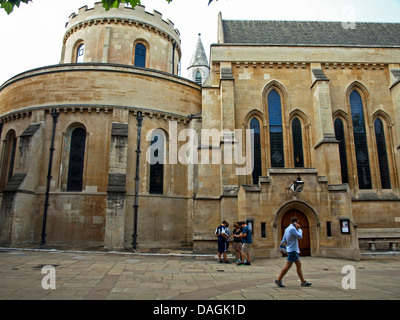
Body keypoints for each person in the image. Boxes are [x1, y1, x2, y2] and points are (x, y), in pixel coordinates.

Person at [275, 217, 312, 287]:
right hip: (293, 250)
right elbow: (300, 236)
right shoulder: (292, 229)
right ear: (295, 223)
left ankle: (303, 281)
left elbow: (284, 239)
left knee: (298, 264)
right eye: (297, 222)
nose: (298, 224)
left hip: (291, 249)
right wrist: (300, 229)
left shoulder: (287, 229)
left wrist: (282, 247)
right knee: (288, 266)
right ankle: (278, 280)